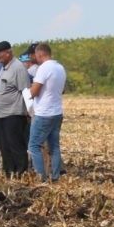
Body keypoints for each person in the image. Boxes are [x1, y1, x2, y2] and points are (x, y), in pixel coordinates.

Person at [0, 40, 31, 176]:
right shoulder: (3, 68)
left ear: (8, 52)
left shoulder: (18, 68)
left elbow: (25, 91)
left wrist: (29, 113)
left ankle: (21, 172)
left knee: (15, 145)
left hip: (13, 114)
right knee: (4, 146)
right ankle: (9, 172)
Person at [27, 43, 66, 181]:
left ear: (39, 54)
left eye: (36, 56)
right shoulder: (60, 67)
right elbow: (62, 89)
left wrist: (29, 90)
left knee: (33, 145)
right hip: (57, 111)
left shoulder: (44, 68)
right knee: (54, 146)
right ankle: (55, 177)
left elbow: (35, 91)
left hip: (44, 112)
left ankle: (41, 177)